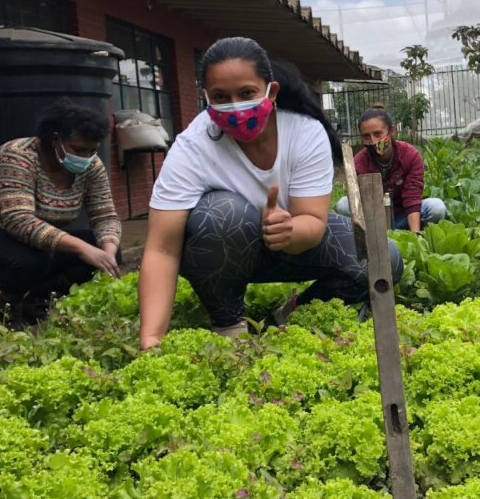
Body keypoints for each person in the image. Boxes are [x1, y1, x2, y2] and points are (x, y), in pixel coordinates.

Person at [138, 37, 403, 348]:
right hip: (219, 249)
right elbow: (162, 249)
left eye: (247, 93)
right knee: (225, 213)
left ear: (271, 91)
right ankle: (228, 322)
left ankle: (293, 314)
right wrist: (151, 337)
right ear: (205, 97)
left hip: (290, 243)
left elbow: (313, 223)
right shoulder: (192, 147)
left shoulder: (304, 132)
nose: (235, 105)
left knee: (383, 257)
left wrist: (290, 230)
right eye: (221, 96)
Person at [0, 98, 121, 319]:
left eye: (92, 150)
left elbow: (105, 215)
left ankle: (39, 299)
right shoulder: (16, 157)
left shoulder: (91, 166)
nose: (85, 157)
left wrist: (108, 251)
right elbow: (19, 220)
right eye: (78, 149)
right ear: (55, 139)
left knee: (103, 248)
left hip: (37, 245)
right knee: (34, 259)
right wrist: (82, 248)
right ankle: (7, 315)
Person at [334, 106, 447, 233]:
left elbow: (412, 197)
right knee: (343, 205)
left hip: (404, 215)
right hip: (374, 220)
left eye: (378, 134)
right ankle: (367, 238)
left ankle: (416, 232)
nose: (373, 141)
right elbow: (361, 203)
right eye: (366, 136)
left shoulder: (410, 155)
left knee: (436, 207)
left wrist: (415, 238)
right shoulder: (359, 163)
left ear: (392, 131)